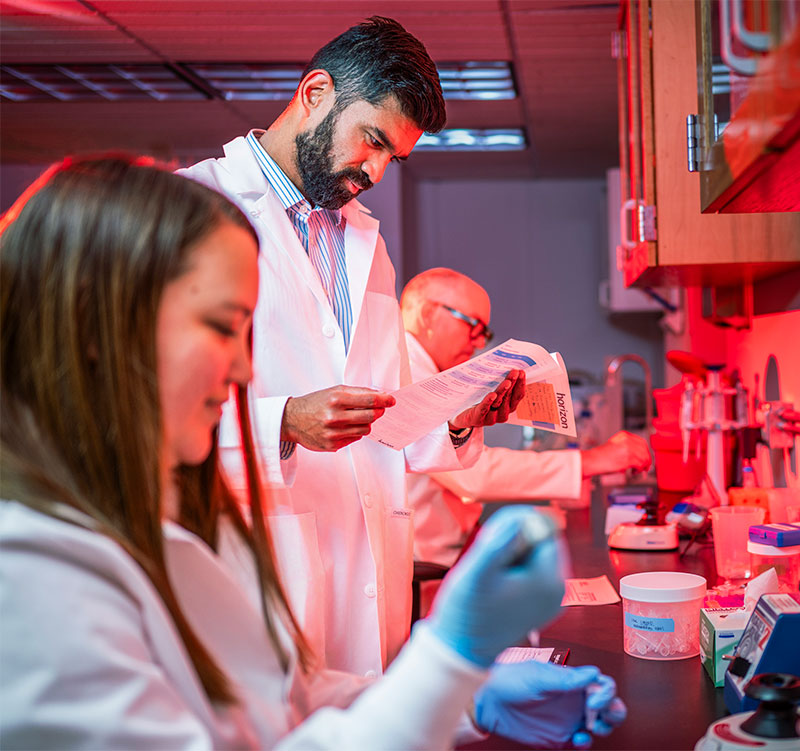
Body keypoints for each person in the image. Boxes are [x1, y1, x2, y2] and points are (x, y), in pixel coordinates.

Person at [0, 156, 629, 749]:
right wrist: (446, 664)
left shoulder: (166, 521)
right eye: (222, 327)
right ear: (95, 327)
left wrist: (471, 696)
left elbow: (283, 698)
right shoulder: (27, 572)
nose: (245, 367)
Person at [178, 16, 524, 676]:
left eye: (392, 157)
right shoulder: (190, 208)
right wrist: (283, 422)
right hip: (257, 568)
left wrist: (457, 415)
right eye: (372, 140)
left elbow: (389, 412)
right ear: (314, 92)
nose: (376, 171)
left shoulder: (366, 244)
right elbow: (130, 417)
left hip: (375, 575)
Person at [400, 267, 653, 575]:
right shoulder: (406, 374)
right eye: (474, 326)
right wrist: (593, 460)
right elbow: (475, 476)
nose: (479, 344)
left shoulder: (425, 370)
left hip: (446, 549)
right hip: (426, 563)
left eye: (485, 334)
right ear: (428, 314)